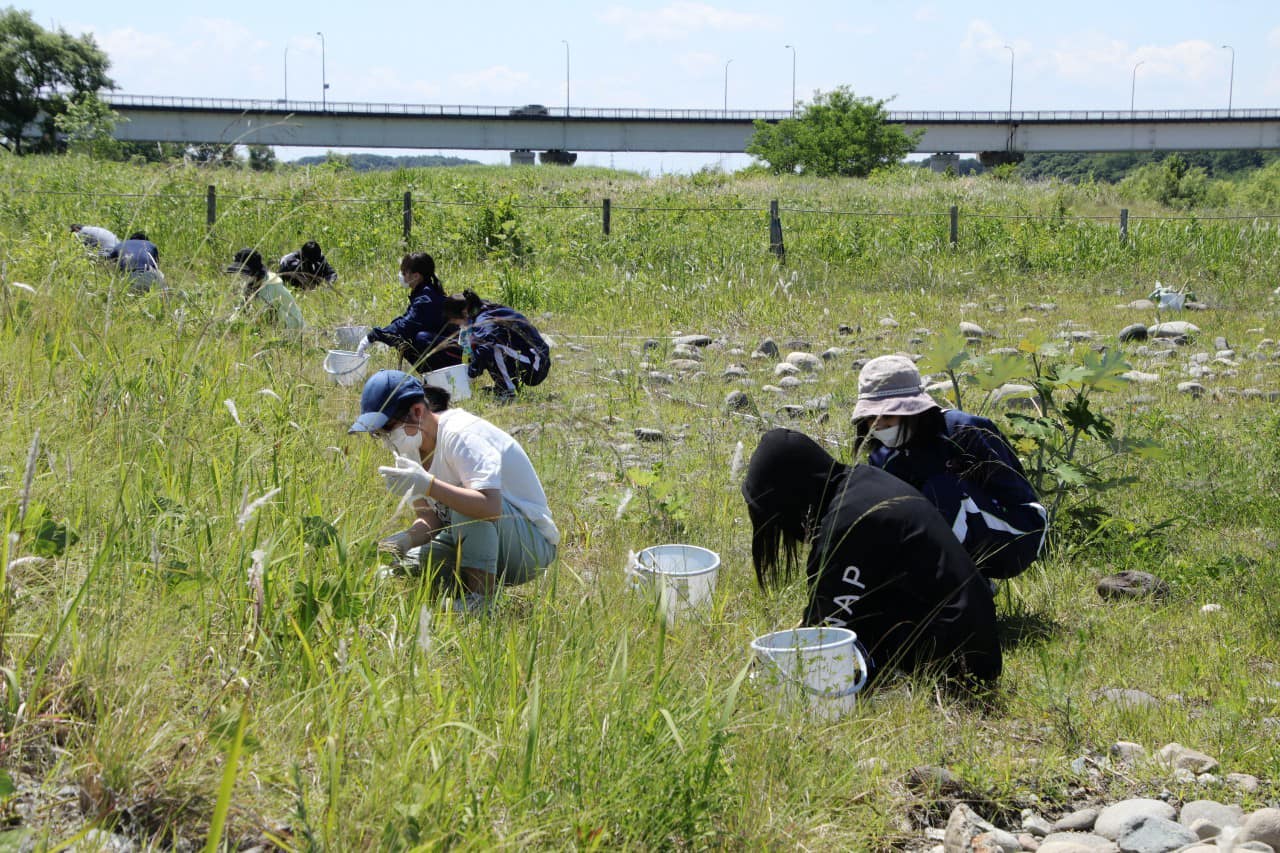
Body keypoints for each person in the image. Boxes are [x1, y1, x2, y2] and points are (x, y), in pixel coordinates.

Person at [742, 428, 1001, 688]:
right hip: (969, 635)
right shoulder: (861, 483)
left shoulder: (848, 525)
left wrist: (768, 673)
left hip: (959, 658)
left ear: (789, 497)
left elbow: (824, 637)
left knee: (836, 669)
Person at [349, 369, 558, 611]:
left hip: (529, 547)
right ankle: (462, 592)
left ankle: (481, 601)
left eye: (388, 428)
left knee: (465, 500)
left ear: (417, 411)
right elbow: (429, 517)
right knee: (402, 567)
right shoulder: (408, 450)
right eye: (378, 434)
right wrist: (403, 541)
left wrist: (429, 485)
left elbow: (489, 506)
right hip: (476, 539)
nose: (386, 439)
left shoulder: (460, 434)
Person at [852, 355, 1046, 580]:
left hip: (1020, 530)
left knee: (941, 491)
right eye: (871, 417)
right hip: (961, 534)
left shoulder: (963, 429)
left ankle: (954, 585)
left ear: (912, 410)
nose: (879, 424)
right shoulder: (882, 456)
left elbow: (1013, 494)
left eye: (888, 415)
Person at [357, 253, 460, 372]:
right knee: (405, 339)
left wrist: (374, 336)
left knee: (419, 338)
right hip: (449, 349)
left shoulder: (426, 299)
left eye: (404, 273)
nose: (401, 276)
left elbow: (406, 326)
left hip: (457, 354)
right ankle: (431, 377)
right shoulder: (423, 293)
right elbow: (403, 322)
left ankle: (439, 377)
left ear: (416, 276)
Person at [441, 289, 550, 400]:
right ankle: (503, 385)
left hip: (536, 364)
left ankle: (509, 391)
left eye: (455, 321)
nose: (457, 326)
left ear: (464, 312)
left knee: (491, 348)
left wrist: (470, 373)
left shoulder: (483, 320)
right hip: (530, 358)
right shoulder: (481, 309)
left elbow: (486, 347)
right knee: (485, 346)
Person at [225, 247, 304, 330]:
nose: (241, 276)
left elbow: (268, 317)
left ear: (254, 272)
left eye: (243, 272)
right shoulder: (251, 283)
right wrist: (229, 323)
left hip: (291, 326)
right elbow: (242, 308)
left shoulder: (272, 285)